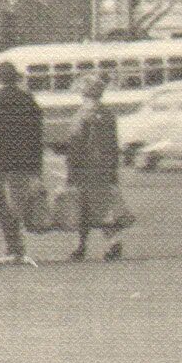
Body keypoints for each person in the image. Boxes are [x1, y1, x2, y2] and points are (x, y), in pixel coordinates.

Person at [0, 60, 46, 266]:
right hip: (25, 162)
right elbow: (37, 135)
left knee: (4, 206)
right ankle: (17, 246)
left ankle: (14, 248)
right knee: (18, 203)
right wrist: (36, 166)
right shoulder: (28, 100)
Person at [61, 75, 131, 262]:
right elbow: (113, 145)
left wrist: (71, 170)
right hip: (104, 168)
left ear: (84, 93)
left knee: (82, 207)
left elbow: (75, 144)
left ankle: (80, 246)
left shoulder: (81, 115)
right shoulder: (108, 114)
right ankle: (112, 242)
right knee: (104, 205)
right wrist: (113, 171)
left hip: (85, 169)